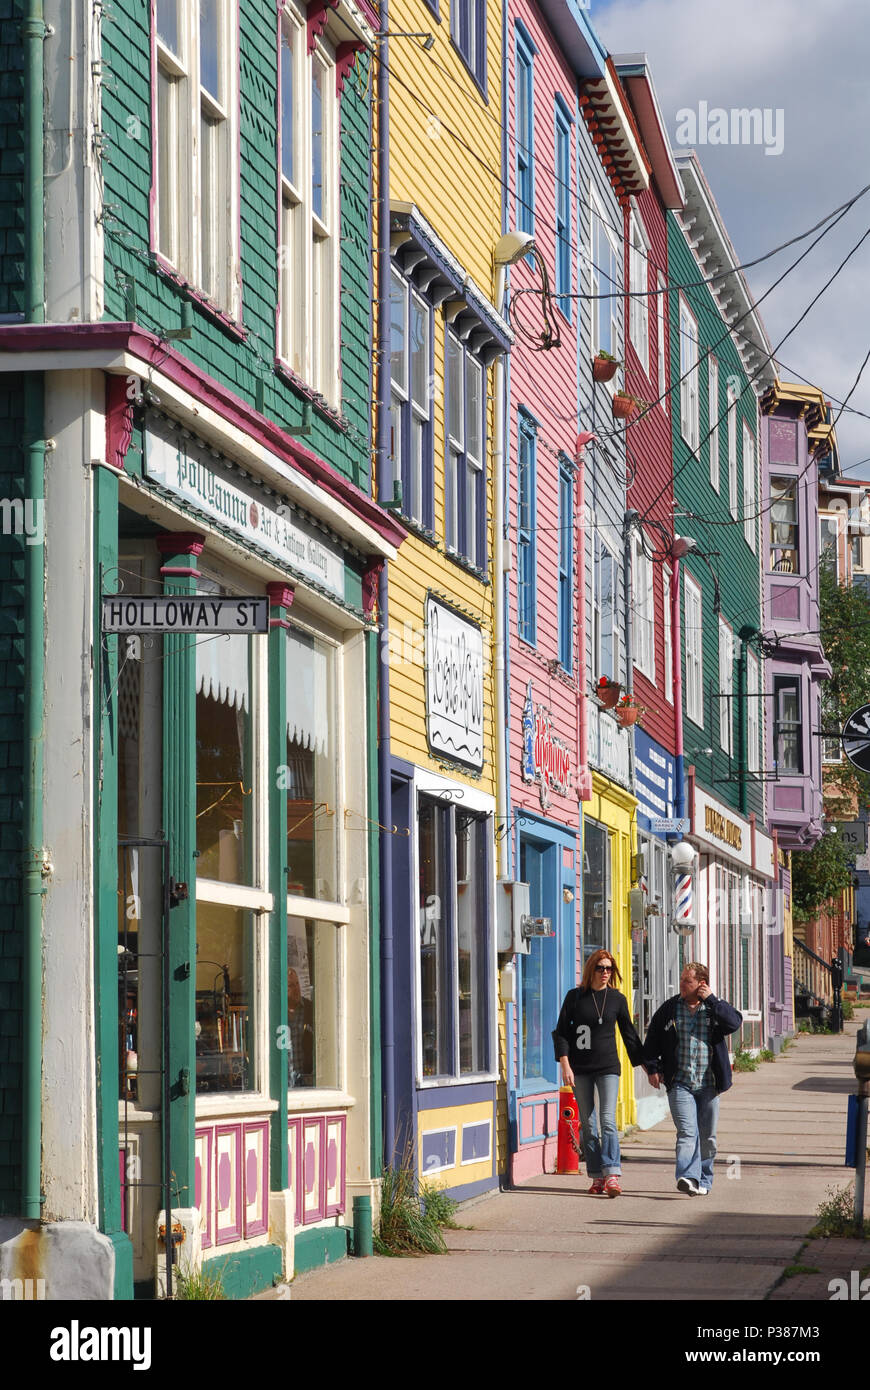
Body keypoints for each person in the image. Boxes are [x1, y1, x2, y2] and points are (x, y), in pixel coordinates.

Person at [553, 949, 648, 1196]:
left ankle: (612, 1174)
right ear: (591, 970)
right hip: (580, 1068)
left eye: (609, 969)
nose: (605, 973)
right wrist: (565, 1064)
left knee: (607, 1119)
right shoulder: (574, 997)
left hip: (607, 1067)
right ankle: (596, 1177)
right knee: (588, 1123)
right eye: (601, 968)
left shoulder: (617, 999)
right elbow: (562, 1032)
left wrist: (647, 1066)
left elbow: (629, 1035)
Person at [643, 961, 742, 1196]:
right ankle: (688, 1177)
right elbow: (652, 1040)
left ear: (701, 984)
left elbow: (734, 1023)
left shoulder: (713, 1008)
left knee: (707, 1137)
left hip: (709, 1084)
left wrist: (713, 1000)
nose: (682, 985)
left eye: (687, 981)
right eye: (681, 980)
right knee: (687, 1132)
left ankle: (704, 1180)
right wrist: (653, 1068)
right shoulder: (669, 1009)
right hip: (680, 1083)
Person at [287, 968, 314, 1086]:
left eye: (297, 983)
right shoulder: (274, 1013)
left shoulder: (310, 1009)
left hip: (306, 1083)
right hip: (283, 1084)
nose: (296, 989)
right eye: (291, 985)